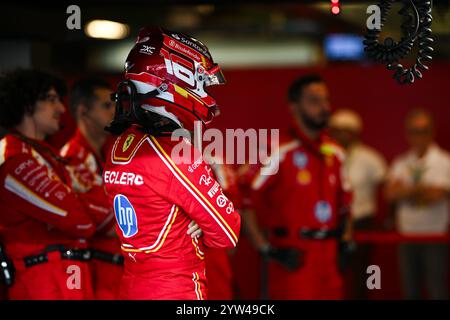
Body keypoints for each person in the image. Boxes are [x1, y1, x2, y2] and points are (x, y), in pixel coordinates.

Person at [102, 27, 241, 300]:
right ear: (175, 77)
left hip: (132, 284)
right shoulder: (175, 153)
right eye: (201, 81)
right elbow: (227, 232)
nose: (206, 92)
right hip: (174, 289)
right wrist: (199, 220)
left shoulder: (119, 143)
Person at [0, 69, 110, 299]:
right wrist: (87, 200)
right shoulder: (14, 156)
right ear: (26, 103)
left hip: (69, 274)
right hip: (43, 279)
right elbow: (80, 221)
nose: (61, 109)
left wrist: (82, 200)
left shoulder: (45, 153)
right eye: (51, 100)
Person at [245, 74, 352, 299]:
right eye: (314, 101)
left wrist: (345, 241)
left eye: (326, 100)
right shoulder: (276, 150)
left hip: (330, 261)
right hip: (293, 261)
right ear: (294, 107)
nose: (324, 107)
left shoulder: (336, 152)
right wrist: (267, 249)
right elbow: (243, 200)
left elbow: (346, 205)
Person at [60, 77, 122, 299]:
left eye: (114, 104)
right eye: (106, 106)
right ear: (83, 111)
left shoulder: (106, 155)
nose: (114, 111)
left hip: (113, 269)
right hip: (96, 271)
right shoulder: (72, 158)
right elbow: (109, 222)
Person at [385, 108, 449, 300]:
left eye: (423, 131)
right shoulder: (401, 162)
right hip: (406, 235)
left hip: (436, 234)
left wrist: (407, 189)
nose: (419, 137)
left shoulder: (445, 162)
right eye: (414, 131)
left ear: (432, 132)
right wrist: (423, 190)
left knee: (437, 289)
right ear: (407, 134)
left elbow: (437, 195)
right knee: (410, 291)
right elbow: (390, 194)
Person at [329, 109, 387, 299]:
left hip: (363, 222)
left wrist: (388, 219)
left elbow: (386, 190)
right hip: (335, 223)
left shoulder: (371, 158)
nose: (338, 134)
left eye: (343, 130)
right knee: (333, 272)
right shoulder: (326, 155)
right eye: (335, 130)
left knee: (363, 275)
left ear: (355, 132)